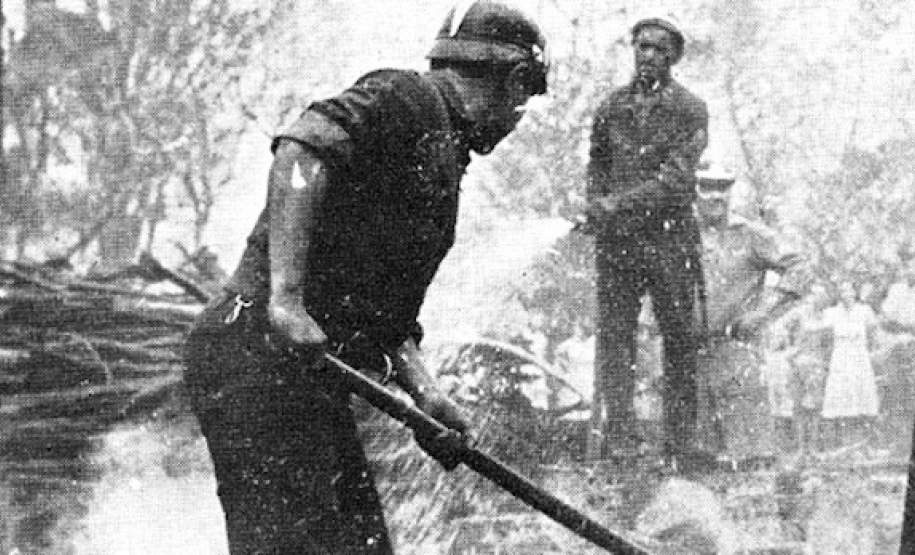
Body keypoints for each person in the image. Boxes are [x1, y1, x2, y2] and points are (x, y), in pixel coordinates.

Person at [183, 2, 550, 552]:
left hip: (302, 373)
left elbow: (387, 317)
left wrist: (427, 398)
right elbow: (302, 148)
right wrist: (286, 300)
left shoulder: (442, 150)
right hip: (255, 355)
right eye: (525, 101)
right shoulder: (407, 98)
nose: (518, 120)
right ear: (516, 80)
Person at [585, 16, 708, 467]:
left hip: (669, 240)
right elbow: (596, 167)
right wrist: (594, 206)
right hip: (617, 245)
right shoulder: (611, 106)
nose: (648, 55)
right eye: (642, 46)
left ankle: (680, 443)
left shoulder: (690, 109)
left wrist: (614, 204)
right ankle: (621, 439)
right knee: (615, 339)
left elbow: (675, 181)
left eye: (658, 48)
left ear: (673, 57)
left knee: (679, 339)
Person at [692, 166, 806, 468]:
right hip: (688, 353)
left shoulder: (751, 234)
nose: (715, 195)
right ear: (694, 190)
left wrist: (763, 313)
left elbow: (799, 266)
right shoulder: (679, 232)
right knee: (696, 456)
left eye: (723, 187)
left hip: (737, 350)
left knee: (750, 453)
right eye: (707, 187)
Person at [814, 282, 881, 448]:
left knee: (862, 392)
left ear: (854, 292)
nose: (846, 294)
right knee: (842, 392)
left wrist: (873, 351)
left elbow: (874, 332)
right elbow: (822, 332)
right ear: (839, 294)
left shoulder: (864, 310)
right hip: (841, 356)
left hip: (859, 355)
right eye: (842, 291)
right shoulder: (832, 312)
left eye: (849, 291)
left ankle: (864, 441)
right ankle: (843, 441)